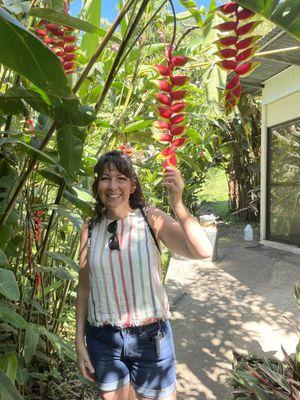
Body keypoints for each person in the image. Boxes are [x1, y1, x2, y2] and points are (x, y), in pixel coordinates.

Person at [75, 150, 213, 400]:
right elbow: (84, 289)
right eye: (105, 178)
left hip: (151, 338)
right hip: (104, 340)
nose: (113, 185)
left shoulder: (152, 219)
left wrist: (178, 203)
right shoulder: (91, 229)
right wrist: (79, 341)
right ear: (97, 186)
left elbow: (203, 251)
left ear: (133, 184)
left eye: (121, 178)